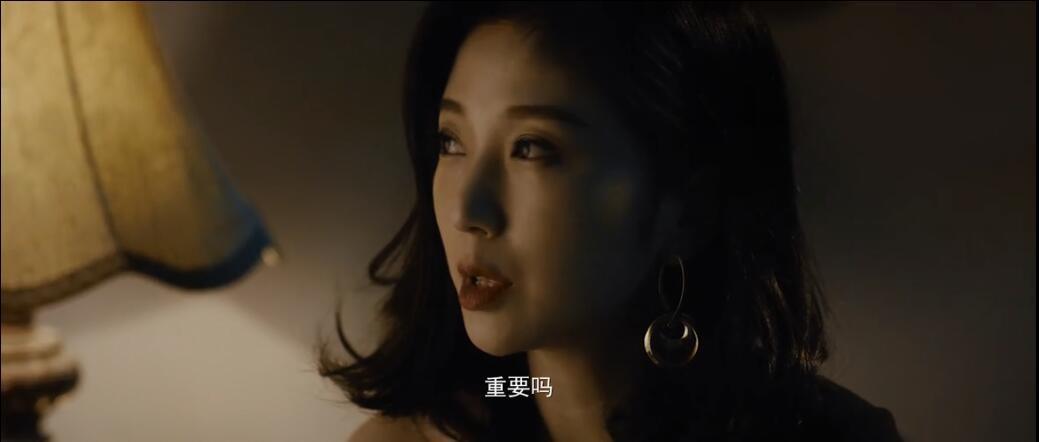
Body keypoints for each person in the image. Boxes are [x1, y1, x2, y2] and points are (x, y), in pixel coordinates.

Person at [319, 2, 904, 441]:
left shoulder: (830, 432)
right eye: (451, 141)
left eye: (532, 148)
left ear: (688, 206)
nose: (466, 211)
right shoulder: (481, 404)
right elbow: (521, 390)